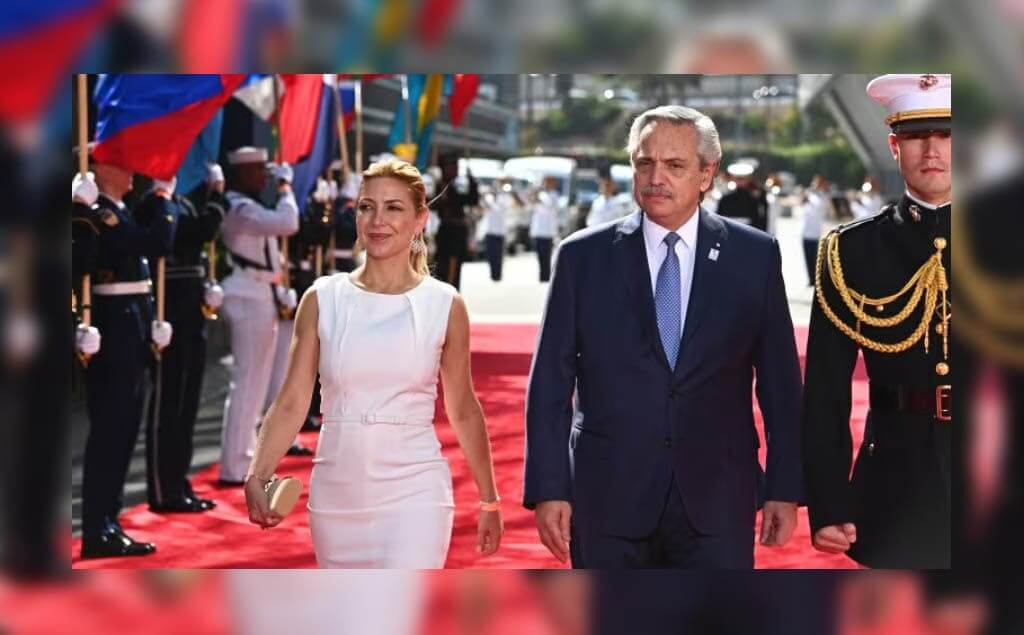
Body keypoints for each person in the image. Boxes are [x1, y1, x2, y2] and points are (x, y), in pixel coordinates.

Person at [523, 105, 803, 568]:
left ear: (707, 174)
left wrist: (784, 487)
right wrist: (550, 487)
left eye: (674, 166)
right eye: (644, 162)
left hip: (718, 496)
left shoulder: (754, 256)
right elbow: (550, 383)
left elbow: (780, 384)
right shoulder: (582, 258)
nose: (656, 177)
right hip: (606, 494)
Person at [243, 158, 503, 568]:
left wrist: (489, 499)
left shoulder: (444, 304)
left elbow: (464, 408)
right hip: (336, 496)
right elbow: (292, 400)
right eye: (367, 206)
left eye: (394, 208)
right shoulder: (321, 298)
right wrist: (257, 474)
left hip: (416, 494)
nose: (377, 220)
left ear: (421, 219)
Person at [802, 74, 952, 568]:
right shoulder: (851, 252)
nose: (932, 150)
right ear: (894, 146)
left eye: (948, 135)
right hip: (896, 479)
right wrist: (827, 501)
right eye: (916, 136)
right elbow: (825, 390)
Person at [79, 161, 176, 558]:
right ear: (100, 169)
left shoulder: (117, 211)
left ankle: (108, 522)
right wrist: (165, 200)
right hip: (114, 326)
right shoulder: (98, 211)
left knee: (125, 431)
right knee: (110, 432)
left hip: (132, 321)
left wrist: (151, 316)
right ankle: (97, 527)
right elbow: (154, 244)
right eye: (121, 165)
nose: (131, 171)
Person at [144, 165, 227, 513]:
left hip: (191, 312)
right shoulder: (152, 205)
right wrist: (217, 196)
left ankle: (179, 481)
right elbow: (195, 233)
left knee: (188, 405)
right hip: (169, 312)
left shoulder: (183, 204)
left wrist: (207, 288)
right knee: (168, 405)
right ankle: (164, 489)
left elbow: (200, 241)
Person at [217, 147, 298, 485]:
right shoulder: (239, 208)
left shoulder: (249, 206)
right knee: (248, 383)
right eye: (258, 171)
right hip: (246, 295)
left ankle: (246, 456)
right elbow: (288, 222)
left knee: (259, 382)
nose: (264, 178)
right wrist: (285, 190)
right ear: (240, 174)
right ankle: (234, 465)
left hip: (262, 292)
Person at [431, 152, 479, 289]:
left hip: (458, 230)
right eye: (452, 167)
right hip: (446, 229)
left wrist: (471, 180)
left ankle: (453, 292)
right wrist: (441, 198)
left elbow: (471, 200)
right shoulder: (439, 186)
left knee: (456, 265)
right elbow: (432, 205)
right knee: (442, 265)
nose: (455, 170)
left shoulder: (455, 186)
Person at [716, 162, 769, 232]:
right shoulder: (726, 195)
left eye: (743, 179)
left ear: (749, 178)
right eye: (738, 178)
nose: (740, 181)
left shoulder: (757, 196)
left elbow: (761, 218)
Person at [800, 175, 831, 287]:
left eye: (818, 183)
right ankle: (810, 279)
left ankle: (816, 279)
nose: (816, 185)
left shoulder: (823, 197)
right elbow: (801, 204)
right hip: (805, 230)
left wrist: (817, 192)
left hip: (815, 232)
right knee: (807, 257)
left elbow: (821, 206)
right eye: (815, 183)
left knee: (816, 258)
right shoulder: (809, 195)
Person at [529, 178, 559, 283]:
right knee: (540, 255)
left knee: (546, 255)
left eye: (548, 182)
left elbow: (549, 205)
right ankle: (542, 276)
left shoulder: (554, 195)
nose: (546, 185)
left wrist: (538, 195)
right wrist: (533, 194)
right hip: (538, 230)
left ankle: (546, 277)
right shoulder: (541, 194)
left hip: (548, 231)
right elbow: (531, 204)